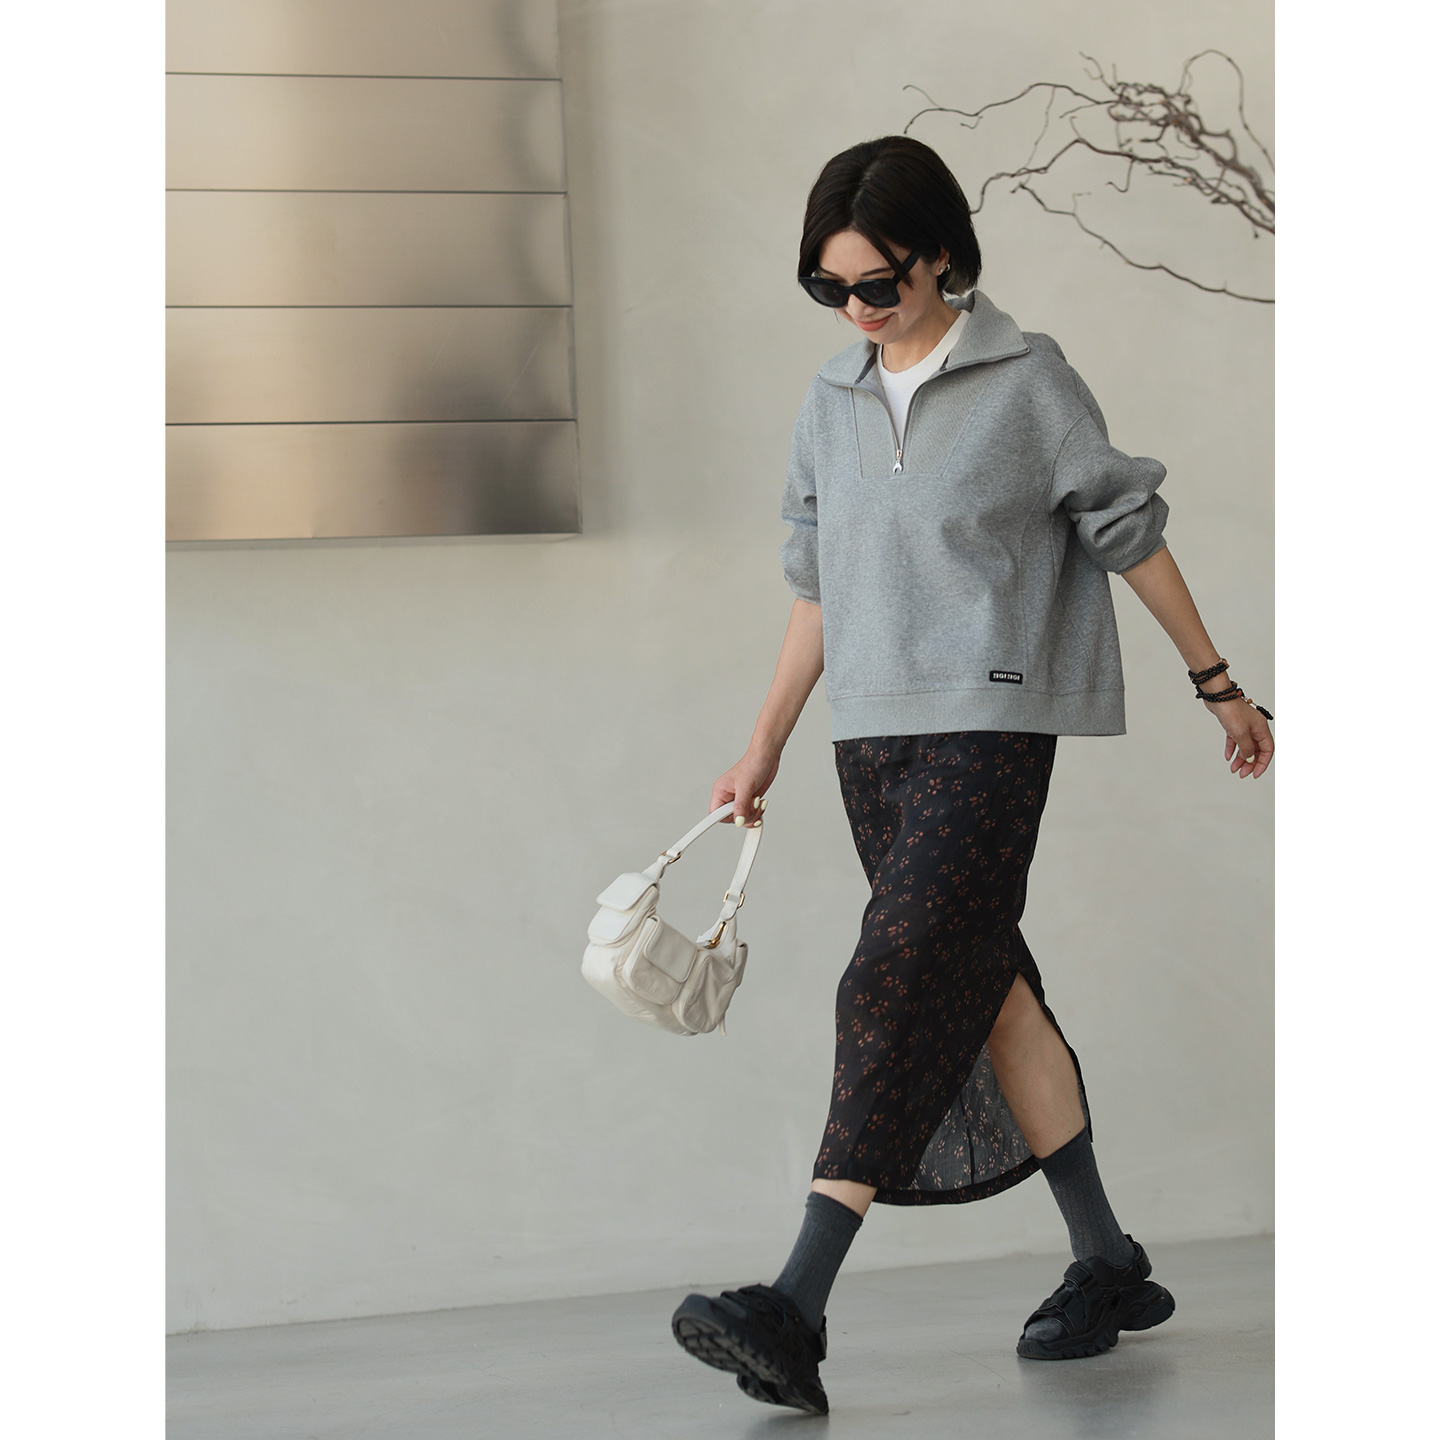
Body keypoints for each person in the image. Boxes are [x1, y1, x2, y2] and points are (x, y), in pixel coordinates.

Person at [667, 135, 1273, 1416]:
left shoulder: (1026, 382)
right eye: (828, 288)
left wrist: (1216, 681)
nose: (855, 308)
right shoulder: (831, 399)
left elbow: (1128, 532)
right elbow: (817, 586)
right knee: (988, 990)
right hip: (870, 742)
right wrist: (765, 740)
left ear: (940, 257)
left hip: (991, 727)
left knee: (893, 976)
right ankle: (1107, 1261)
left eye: (876, 283)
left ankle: (795, 1302)